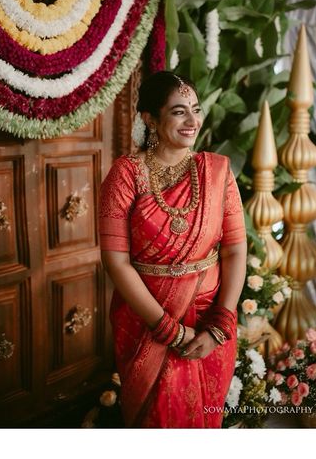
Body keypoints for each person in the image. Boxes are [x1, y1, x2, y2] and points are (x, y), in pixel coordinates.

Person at [99, 71, 247, 428]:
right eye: (179, 112)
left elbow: (234, 250)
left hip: (210, 321)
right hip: (146, 322)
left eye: (195, 110)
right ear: (150, 118)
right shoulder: (126, 175)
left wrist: (219, 325)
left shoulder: (217, 172)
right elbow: (116, 261)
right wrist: (169, 330)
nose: (193, 121)